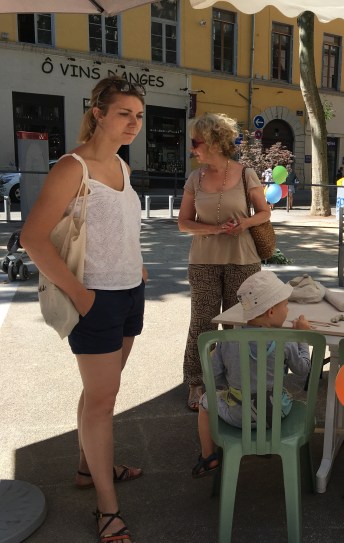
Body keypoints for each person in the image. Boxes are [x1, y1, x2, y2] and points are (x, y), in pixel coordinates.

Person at [21, 76, 148, 543]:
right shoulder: (72, 167)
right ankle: (107, 509)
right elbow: (32, 238)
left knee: (100, 395)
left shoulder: (121, 164)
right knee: (102, 401)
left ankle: (85, 466)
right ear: (99, 113)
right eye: (124, 113)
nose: (133, 123)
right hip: (96, 298)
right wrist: (78, 293)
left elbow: (118, 227)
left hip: (130, 292)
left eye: (139, 116)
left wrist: (139, 264)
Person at [178, 112, 271, 412]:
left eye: (196, 142)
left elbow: (264, 212)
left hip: (243, 259)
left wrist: (245, 224)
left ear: (214, 142)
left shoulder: (245, 175)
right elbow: (183, 223)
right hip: (203, 261)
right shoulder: (195, 178)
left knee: (238, 324)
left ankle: (237, 380)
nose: (192, 148)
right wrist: (217, 229)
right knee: (202, 322)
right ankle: (196, 381)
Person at [192, 270, 311, 477]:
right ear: (271, 312)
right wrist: (302, 337)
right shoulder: (286, 341)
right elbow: (303, 369)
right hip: (277, 414)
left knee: (205, 401)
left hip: (238, 416)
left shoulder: (227, 340)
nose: (288, 310)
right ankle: (266, 442)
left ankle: (208, 457)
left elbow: (213, 379)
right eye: (285, 305)